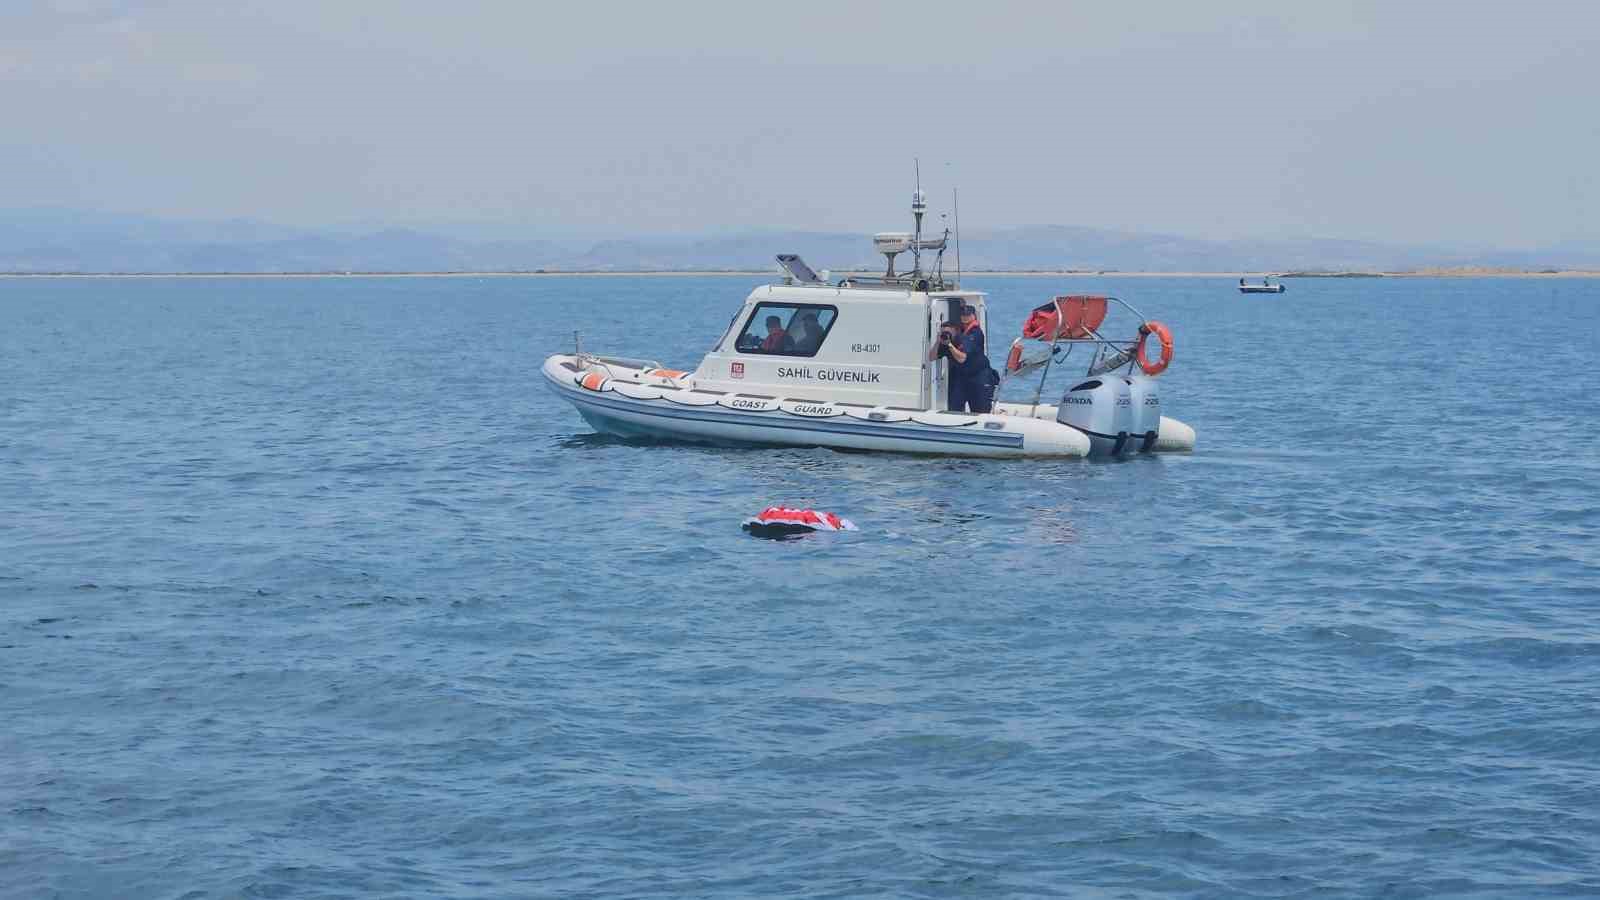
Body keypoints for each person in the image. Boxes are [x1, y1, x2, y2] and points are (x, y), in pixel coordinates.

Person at [936, 305, 997, 413]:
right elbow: (932, 356)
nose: (965, 317)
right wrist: (938, 341)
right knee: (954, 408)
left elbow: (962, 359)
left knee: (980, 410)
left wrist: (949, 345)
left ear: (974, 316)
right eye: (963, 314)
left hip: (978, 377)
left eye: (968, 314)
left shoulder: (976, 333)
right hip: (961, 377)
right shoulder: (958, 333)